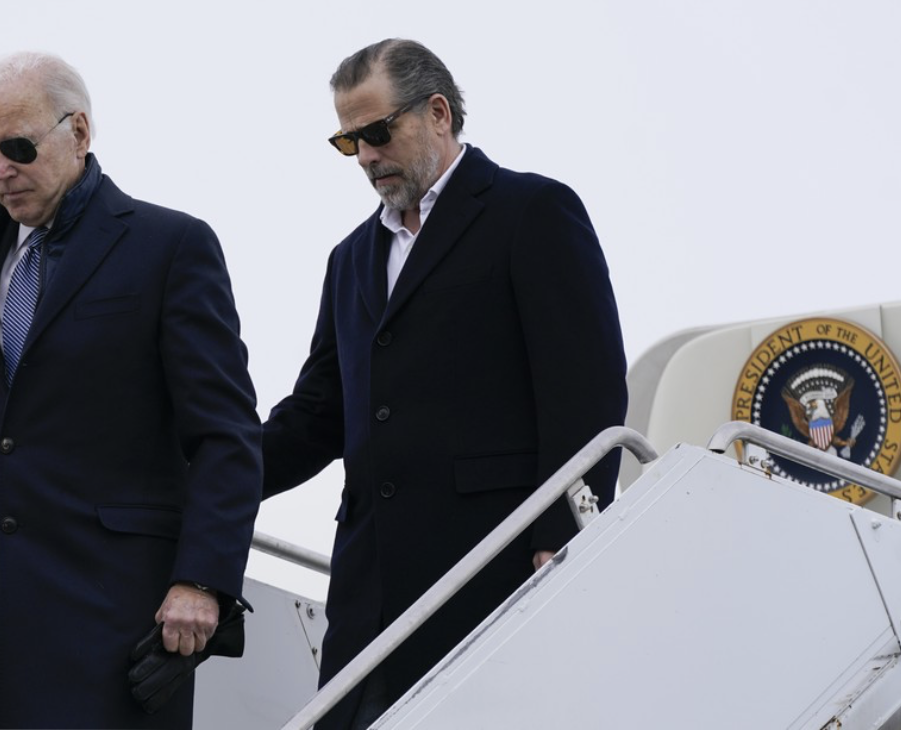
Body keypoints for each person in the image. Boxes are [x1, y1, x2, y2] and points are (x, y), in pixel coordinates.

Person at [0, 52, 262, 729]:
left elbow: (225, 434)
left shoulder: (169, 246)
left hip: (115, 627)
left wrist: (203, 582)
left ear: (79, 132)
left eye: (17, 146)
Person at [262, 39, 628, 729]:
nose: (366, 156)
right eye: (349, 142)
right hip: (368, 600)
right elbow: (317, 415)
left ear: (438, 112)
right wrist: (207, 472)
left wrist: (560, 538)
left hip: (496, 571)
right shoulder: (350, 260)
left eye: (377, 132)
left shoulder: (532, 211)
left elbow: (585, 390)